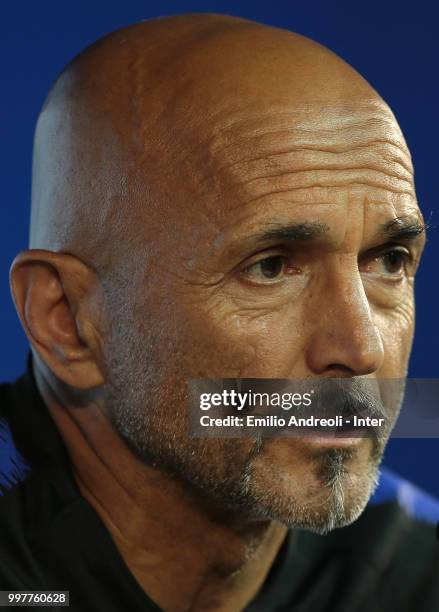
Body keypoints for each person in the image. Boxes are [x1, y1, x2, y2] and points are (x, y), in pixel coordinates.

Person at [1, 12, 438, 612]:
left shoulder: (417, 568)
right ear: (67, 320)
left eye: (387, 261)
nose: (362, 349)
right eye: (271, 267)